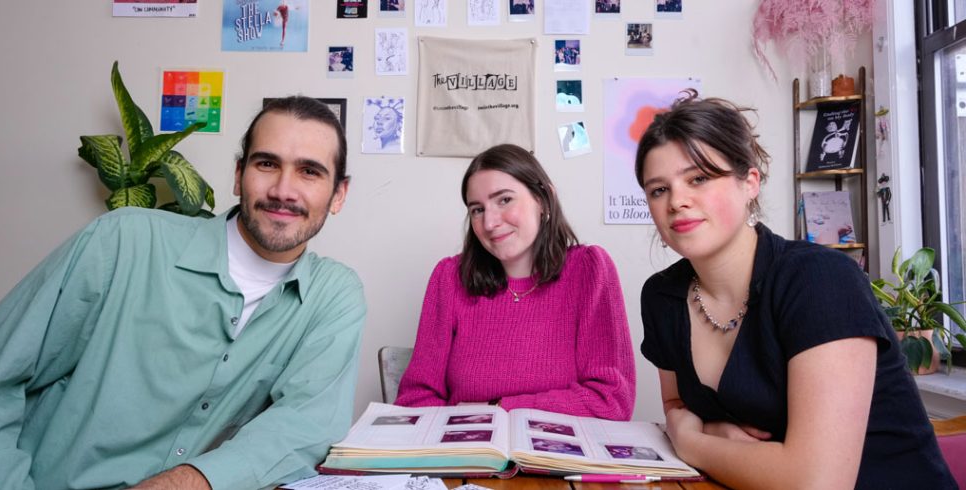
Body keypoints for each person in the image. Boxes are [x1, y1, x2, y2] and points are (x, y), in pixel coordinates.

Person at [0, 96, 366, 489]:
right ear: (239, 176)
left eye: (310, 171)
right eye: (267, 164)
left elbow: (301, 426)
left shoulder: (333, 295)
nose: (283, 190)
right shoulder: (123, 241)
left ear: (339, 195)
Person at [635, 90, 955, 489]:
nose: (677, 201)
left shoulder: (820, 280)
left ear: (749, 181)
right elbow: (676, 405)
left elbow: (817, 483)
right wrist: (711, 433)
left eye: (698, 178)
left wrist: (691, 442)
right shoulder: (661, 296)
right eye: (658, 189)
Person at [395, 144, 636, 421]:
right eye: (477, 209)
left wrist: (497, 409)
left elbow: (610, 401)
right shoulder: (449, 278)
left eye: (504, 200)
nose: (490, 222)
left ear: (544, 199)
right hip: (473, 456)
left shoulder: (589, 270)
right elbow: (415, 398)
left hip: (562, 460)